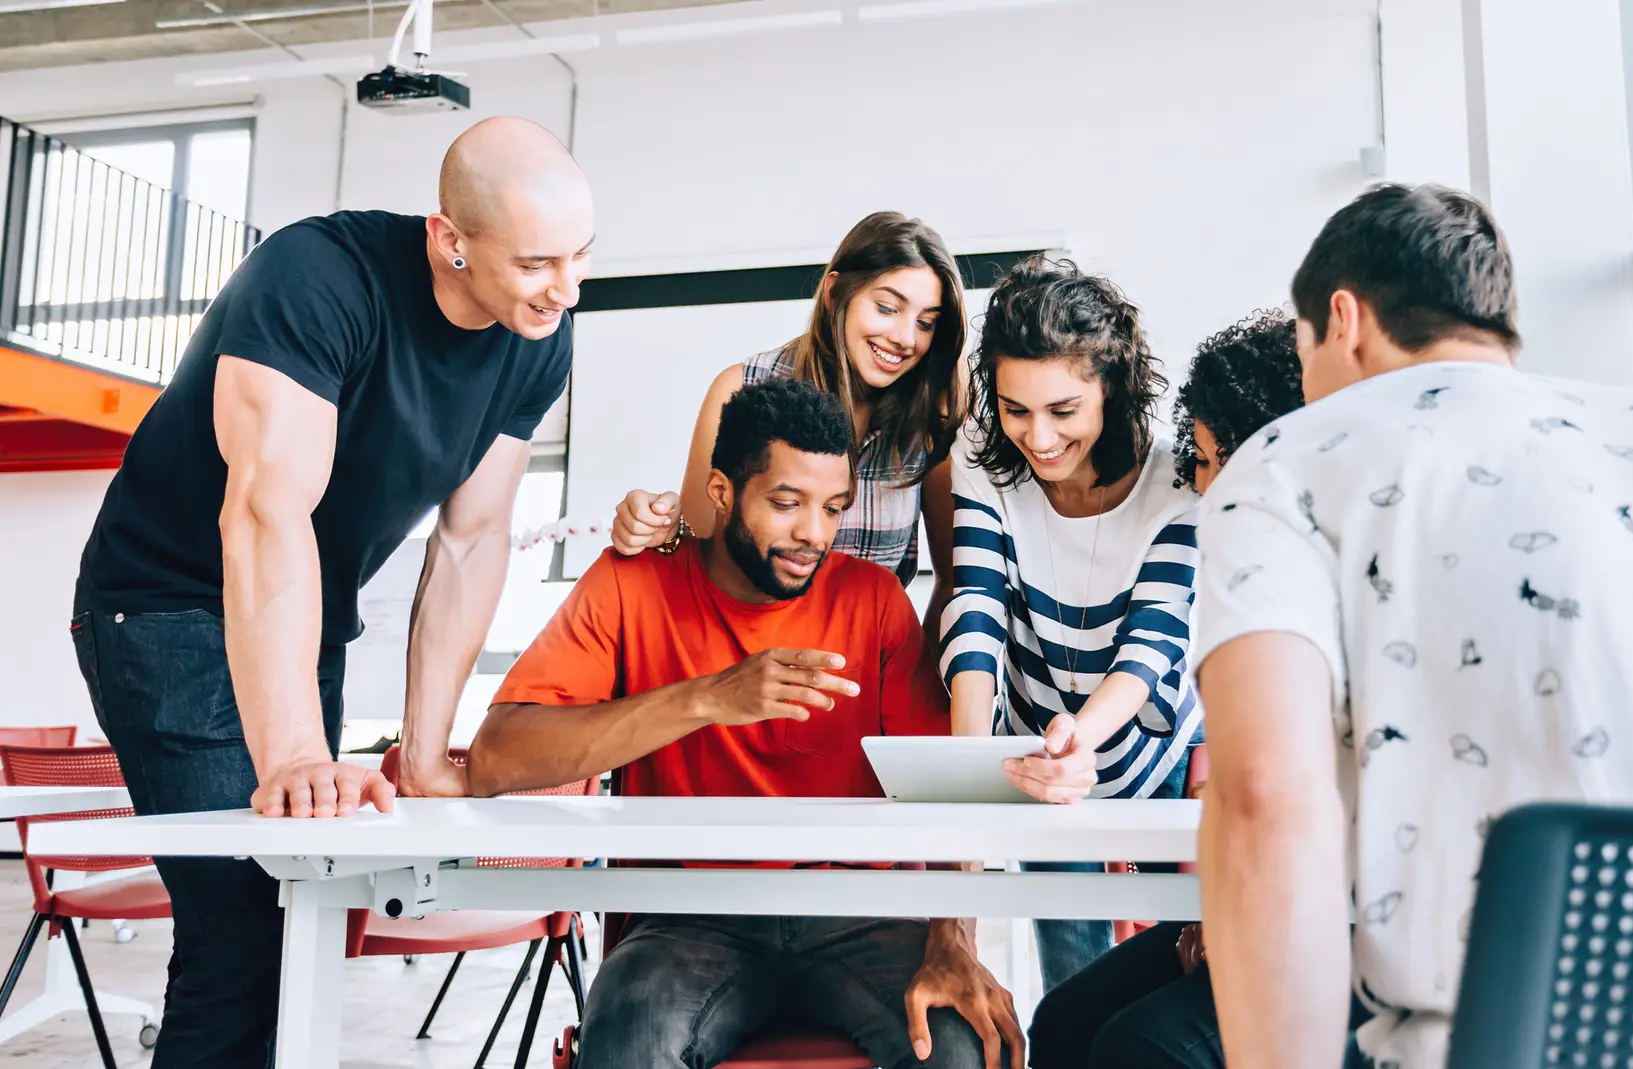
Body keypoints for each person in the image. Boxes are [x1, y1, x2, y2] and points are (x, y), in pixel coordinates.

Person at [1191, 183, 1633, 1069]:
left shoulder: (1290, 461)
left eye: (1301, 356)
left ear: (1344, 320)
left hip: (1529, 1040)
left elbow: (1263, 794)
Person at [67, 116, 589, 1067]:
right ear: (451, 239)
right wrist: (298, 749)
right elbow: (265, 513)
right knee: (244, 927)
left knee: (302, 915)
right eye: (538, 262)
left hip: (302, 624)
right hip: (163, 606)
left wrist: (425, 751)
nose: (567, 288)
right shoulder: (315, 278)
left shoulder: (537, 339)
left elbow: (470, 543)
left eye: (581, 256)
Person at [467, 378, 1022, 1069]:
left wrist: (954, 937)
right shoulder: (631, 581)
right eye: (787, 504)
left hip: (859, 908)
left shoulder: (872, 599)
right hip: (687, 917)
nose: (814, 534)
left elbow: (950, 793)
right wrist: (704, 698)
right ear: (723, 490)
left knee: (966, 1047)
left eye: (832, 508)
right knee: (626, 1046)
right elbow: (496, 757)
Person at [1027, 308, 1304, 1069]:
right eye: (1203, 457)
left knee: (1136, 1046)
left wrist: (1247, 913)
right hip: (1251, 902)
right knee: (1062, 1018)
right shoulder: (1240, 578)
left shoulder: (1329, 585)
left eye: (1221, 460)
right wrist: (1220, 905)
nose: (1203, 483)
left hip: (1332, 926)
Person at [938, 257, 1201, 991]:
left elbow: (1151, 647)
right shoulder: (981, 461)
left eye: (1063, 411)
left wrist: (1079, 739)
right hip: (1040, 758)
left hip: (1154, 757)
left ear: (1110, 389)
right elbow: (978, 615)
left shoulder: (1177, 480)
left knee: (1181, 975)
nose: (1038, 437)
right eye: (1016, 408)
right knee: (1071, 985)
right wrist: (968, 771)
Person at [609, 211, 968, 643]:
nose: (906, 338)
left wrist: (914, 694)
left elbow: (952, 584)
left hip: (865, 676)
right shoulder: (741, 388)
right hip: (745, 667)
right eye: (887, 308)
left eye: (926, 322)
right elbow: (695, 558)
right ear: (836, 293)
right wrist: (659, 523)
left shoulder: (932, 415)